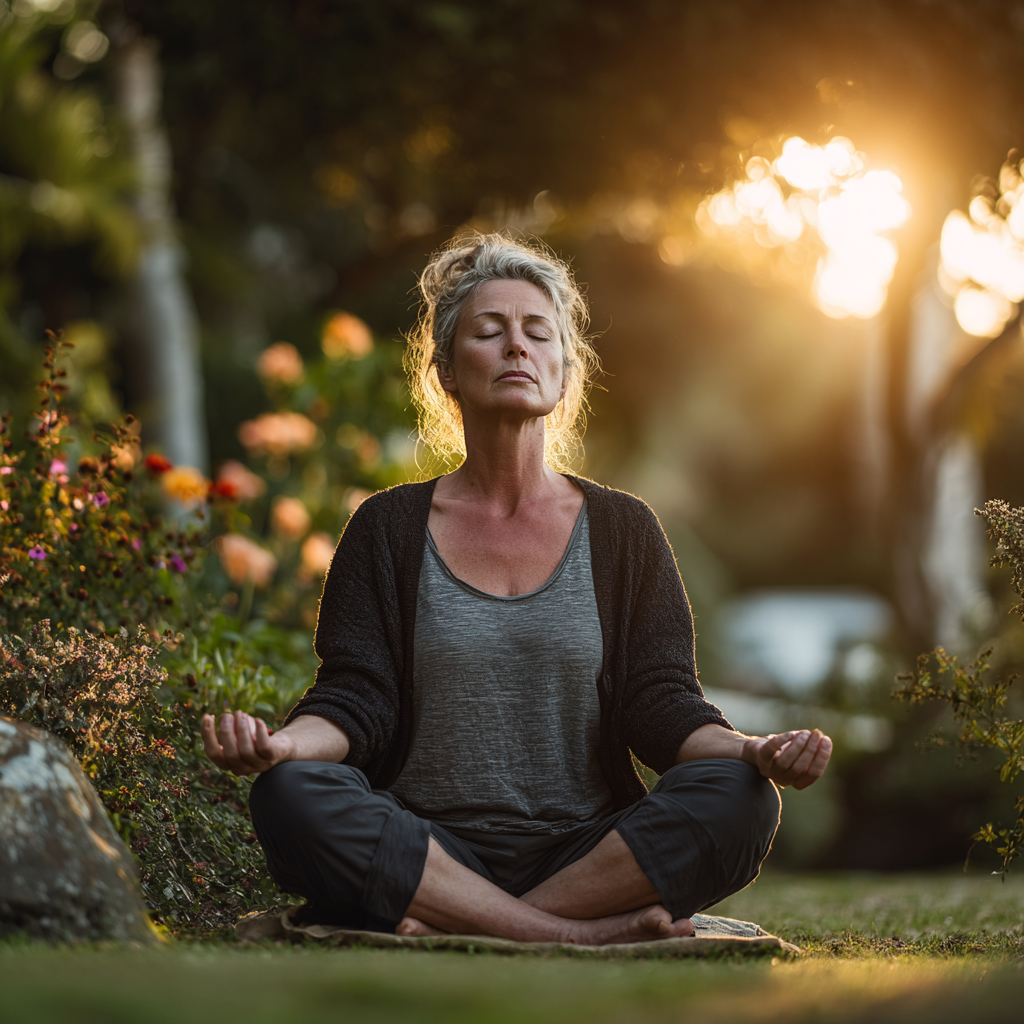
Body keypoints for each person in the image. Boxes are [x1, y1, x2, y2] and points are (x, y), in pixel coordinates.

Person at [201, 233, 833, 945]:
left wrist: (754, 752)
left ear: (564, 373)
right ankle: (573, 935)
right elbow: (357, 699)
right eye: (489, 332)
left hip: (589, 849)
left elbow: (662, 706)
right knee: (290, 795)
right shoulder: (386, 529)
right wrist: (281, 748)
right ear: (445, 369)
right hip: (429, 845)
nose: (516, 348)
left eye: (538, 333)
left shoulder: (624, 531)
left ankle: (474, 922)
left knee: (741, 800)